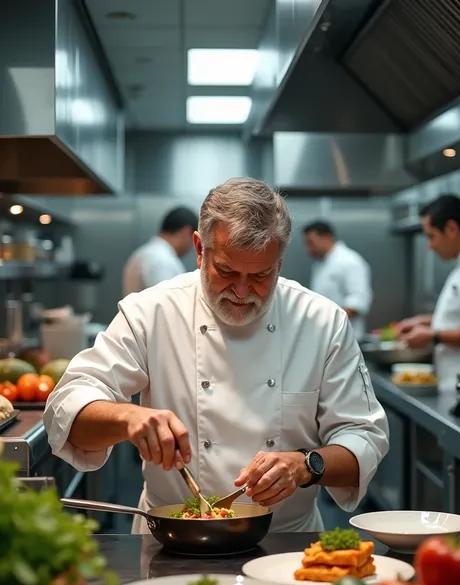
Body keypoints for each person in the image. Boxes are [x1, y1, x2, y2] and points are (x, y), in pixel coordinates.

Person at [44, 177, 389, 533]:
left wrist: (307, 464)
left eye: (260, 275)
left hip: (286, 543)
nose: (241, 291)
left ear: (280, 263)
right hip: (171, 538)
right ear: (199, 248)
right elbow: (67, 405)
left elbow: (364, 437)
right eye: (225, 271)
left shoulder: (322, 321)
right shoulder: (150, 312)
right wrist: (128, 417)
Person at [399, 194, 460, 391]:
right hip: (455, 384)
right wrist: (425, 321)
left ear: (451, 228)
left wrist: (433, 336)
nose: (430, 246)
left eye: (432, 236)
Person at [303, 221, 373, 341]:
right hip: (324, 336)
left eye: (311, 243)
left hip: (346, 337)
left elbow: (357, 301)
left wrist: (327, 320)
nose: (308, 249)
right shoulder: (319, 265)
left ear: (327, 237)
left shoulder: (350, 261)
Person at [122, 206, 198, 295]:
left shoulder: (144, 253)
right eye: (194, 239)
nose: (193, 246)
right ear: (186, 232)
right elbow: (168, 302)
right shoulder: (162, 260)